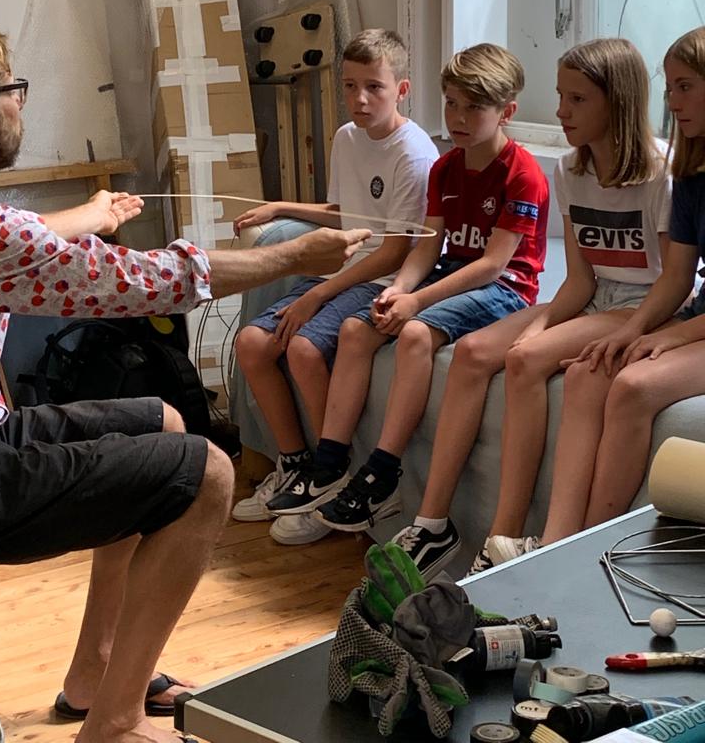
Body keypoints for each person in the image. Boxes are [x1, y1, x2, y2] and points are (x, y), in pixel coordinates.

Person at [0, 22, 369, 743]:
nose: (21, 105)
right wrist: (294, 256)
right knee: (208, 475)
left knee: (164, 421)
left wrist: (93, 215)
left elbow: (16, 235)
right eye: (16, 91)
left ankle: (98, 671)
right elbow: (140, 280)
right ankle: (113, 725)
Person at [387, 37, 670, 580]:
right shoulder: (571, 170)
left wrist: (573, 332)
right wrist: (540, 322)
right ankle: (451, 527)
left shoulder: (662, 173)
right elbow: (581, 280)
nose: (561, 111)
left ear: (618, 101)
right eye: (561, 97)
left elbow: (671, 282)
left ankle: (509, 538)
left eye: (577, 100)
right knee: (481, 352)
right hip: (594, 298)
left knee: (525, 359)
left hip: (646, 305)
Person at [270, 43, 550, 537]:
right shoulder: (446, 167)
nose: (458, 118)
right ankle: (330, 462)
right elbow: (427, 246)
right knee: (357, 330)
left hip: (504, 287)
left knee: (417, 333)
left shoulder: (522, 173)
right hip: (451, 270)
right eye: (451, 104)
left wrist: (417, 301)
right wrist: (399, 289)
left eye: (473, 107)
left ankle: (383, 470)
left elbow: (492, 265)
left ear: (506, 112)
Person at [231, 29, 438, 544]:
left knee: (303, 348)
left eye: (374, 87)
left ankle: (333, 473)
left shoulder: (413, 154)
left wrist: (317, 294)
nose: (360, 99)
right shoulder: (346, 137)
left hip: (382, 277)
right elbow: (346, 213)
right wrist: (281, 206)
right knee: (252, 343)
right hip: (345, 270)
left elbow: (395, 251)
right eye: (350, 86)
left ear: (402, 89)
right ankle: (296, 464)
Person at [538, 26, 705, 545]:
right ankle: (557, 540)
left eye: (685, 87)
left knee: (633, 386)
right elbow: (677, 276)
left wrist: (669, 337)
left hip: (697, 324)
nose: (672, 102)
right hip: (697, 312)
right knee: (591, 370)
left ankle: (590, 544)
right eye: (669, 88)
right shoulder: (692, 174)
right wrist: (633, 331)